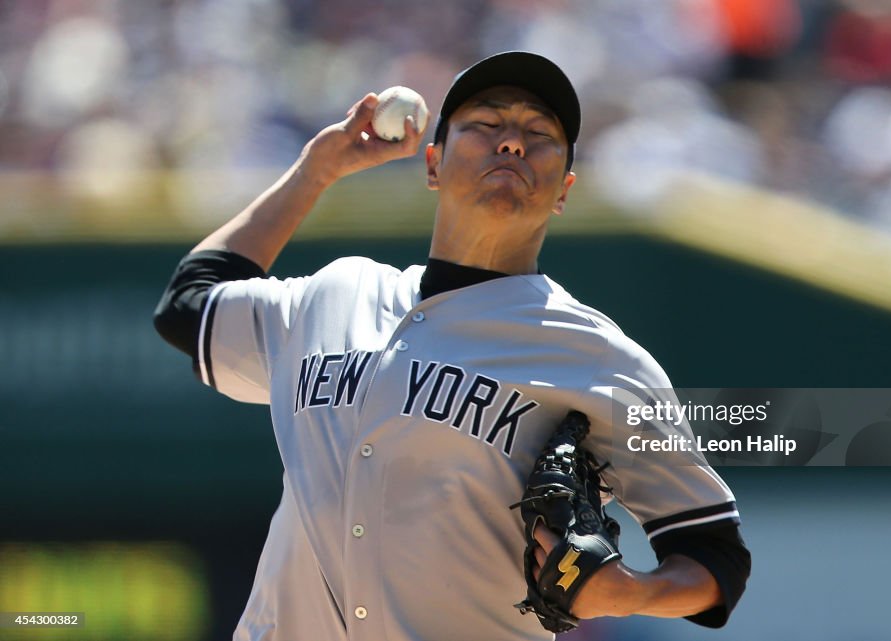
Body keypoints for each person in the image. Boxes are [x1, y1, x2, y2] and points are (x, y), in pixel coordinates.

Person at [154, 51, 751, 641]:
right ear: (433, 164)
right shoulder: (337, 294)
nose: (512, 143)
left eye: (538, 133)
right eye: (486, 124)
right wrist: (316, 171)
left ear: (564, 190)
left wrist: (629, 592)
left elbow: (716, 558)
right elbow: (188, 307)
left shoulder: (598, 358)